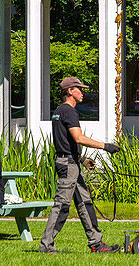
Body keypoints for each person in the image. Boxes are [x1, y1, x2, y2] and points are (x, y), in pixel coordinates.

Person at [38, 76, 121, 254]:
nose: (82, 92)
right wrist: (106, 146)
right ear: (70, 91)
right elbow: (78, 138)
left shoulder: (60, 110)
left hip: (71, 162)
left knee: (85, 202)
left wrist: (81, 158)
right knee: (62, 205)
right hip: (68, 165)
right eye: (79, 89)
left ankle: (96, 243)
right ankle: (46, 245)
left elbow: (65, 140)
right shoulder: (69, 111)